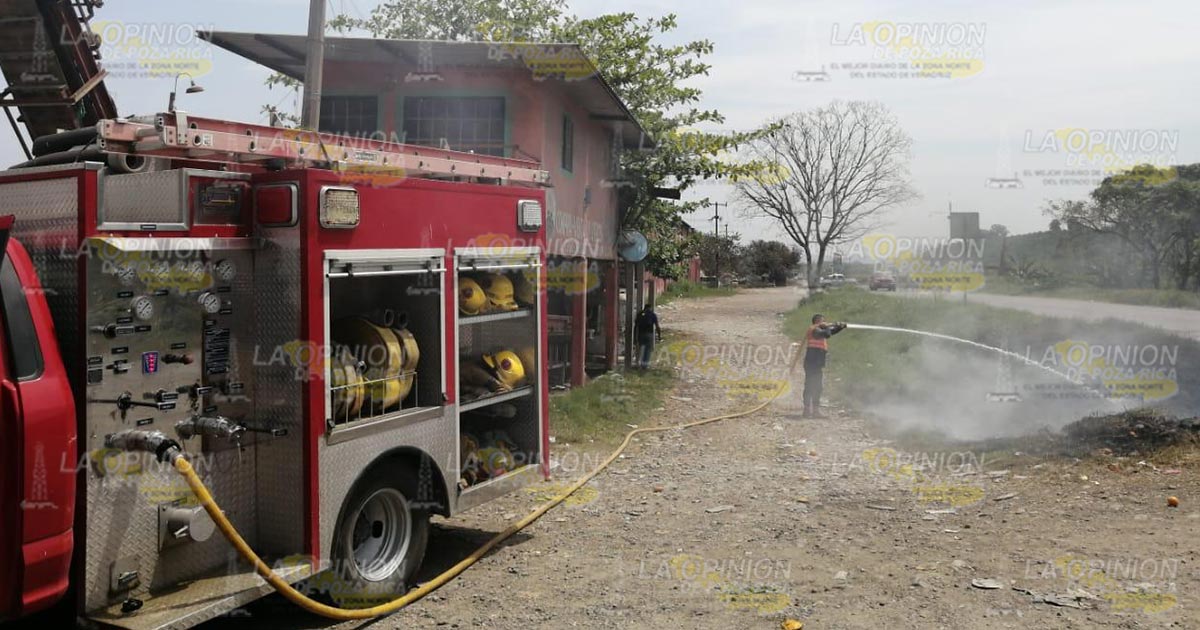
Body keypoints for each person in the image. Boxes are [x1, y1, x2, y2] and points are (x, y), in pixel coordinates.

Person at [803, 313, 846, 418]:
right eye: (822, 321)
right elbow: (826, 334)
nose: (825, 322)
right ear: (817, 321)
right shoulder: (814, 330)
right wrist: (827, 327)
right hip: (811, 363)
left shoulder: (820, 330)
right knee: (810, 385)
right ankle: (807, 410)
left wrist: (840, 327)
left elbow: (830, 332)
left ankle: (816, 411)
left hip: (817, 363)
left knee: (818, 387)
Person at [635, 304, 662, 369]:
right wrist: (659, 336)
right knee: (647, 350)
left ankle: (639, 363)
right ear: (650, 308)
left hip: (641, 334)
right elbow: (657, 326)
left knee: (640, 349)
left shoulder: (639, 314)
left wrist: (635, 337)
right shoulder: (652, 315)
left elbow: (636, 326)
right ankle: (645, 365)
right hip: (649, 335)